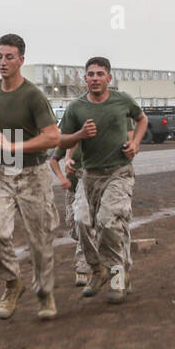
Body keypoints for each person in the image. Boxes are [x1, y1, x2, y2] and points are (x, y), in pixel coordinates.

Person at [0, 34, 61, 320]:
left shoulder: (33, 96)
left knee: (40, 241)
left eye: (9, 57)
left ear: (21, 60)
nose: (3, 62)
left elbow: (52, 136)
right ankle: (12, 282)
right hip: (1, 174)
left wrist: (13, 146)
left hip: (33, 174)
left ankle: (45, 294)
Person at [57, 57, 149, 304]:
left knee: (109, 222)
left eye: (100, 74)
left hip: (118, 172)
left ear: (109, 77)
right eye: (91, 74)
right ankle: (98, 270)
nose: (95, 78)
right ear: (84, 78)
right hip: (89, 176)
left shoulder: (122, 101)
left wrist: (136, 144)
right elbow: (62, 140)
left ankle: (118, 279)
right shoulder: (76, 108)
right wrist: (80, 134)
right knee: (81, 222)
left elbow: (142, 119)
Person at [48, 142, 93, 286]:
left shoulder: (93, 142)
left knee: (82, 223)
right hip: (71, 189)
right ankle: (95, 243)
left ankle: (82, 269)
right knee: (73, 228)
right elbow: (53, 160)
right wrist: (62, 178)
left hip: (87, 186)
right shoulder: (69, 141)